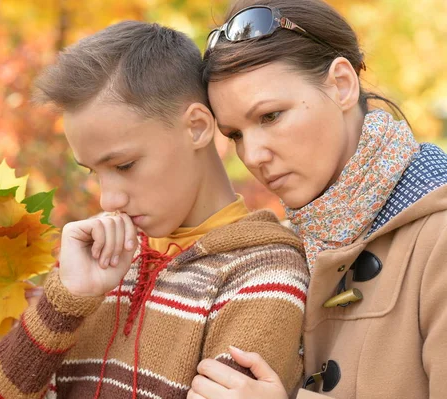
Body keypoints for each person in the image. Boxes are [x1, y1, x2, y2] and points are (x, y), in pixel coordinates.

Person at [0, 20, 309, 399]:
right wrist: (63, 302)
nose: (108, 200)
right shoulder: (92, 268)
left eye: (124, 166)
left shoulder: (263, 275)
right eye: (94, 172)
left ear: (196, 127)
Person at [189, 0, 447, 398]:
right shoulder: (286, 248)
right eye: (235, 135)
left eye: (270, 116)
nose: (253, 156)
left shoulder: (439, 234)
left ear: (342, 85)